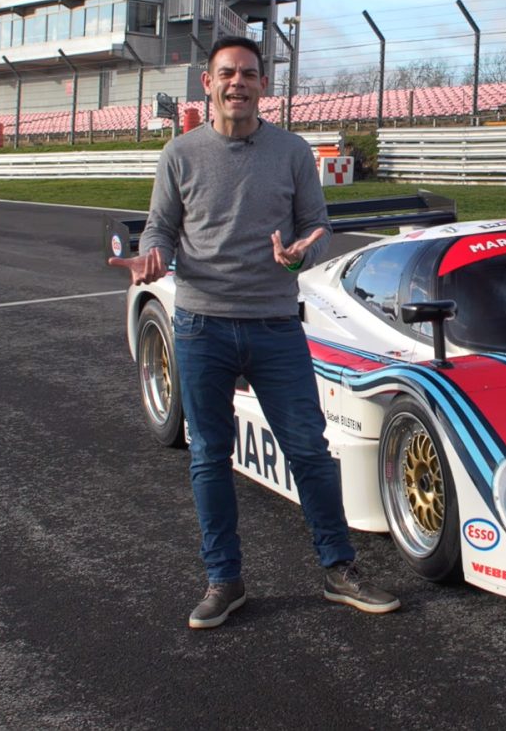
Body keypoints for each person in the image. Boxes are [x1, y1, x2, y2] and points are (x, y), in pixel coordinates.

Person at [109, 35, 400, 628]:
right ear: (208, 85)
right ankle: (224, 580)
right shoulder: (180, 154)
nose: (236, 83)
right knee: (209, 456)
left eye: (247, 73)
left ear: (263, 86)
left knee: (310, 453)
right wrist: (153, 255)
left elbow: (316, 225)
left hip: (274, 325)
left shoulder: (292, 151)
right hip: (200, 326)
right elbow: (161, 227)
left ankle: (339, 569)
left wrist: (299, 252)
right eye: (225, 74)